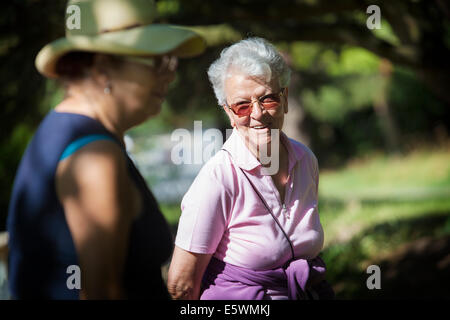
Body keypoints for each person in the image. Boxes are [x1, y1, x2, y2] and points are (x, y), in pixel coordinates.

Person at [7, 0, 205, 299]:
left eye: (170, 61)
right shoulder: (94, 156)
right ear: (102, 69)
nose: (169, 74)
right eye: (157, 61)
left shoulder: (68, 132)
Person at [167, 37, 334, 300]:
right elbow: (181, 286)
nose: (257, 113)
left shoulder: (305, 160)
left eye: (268, 99)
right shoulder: (219, 178)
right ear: (230, 114)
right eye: (242, 105)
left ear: (285, 99)